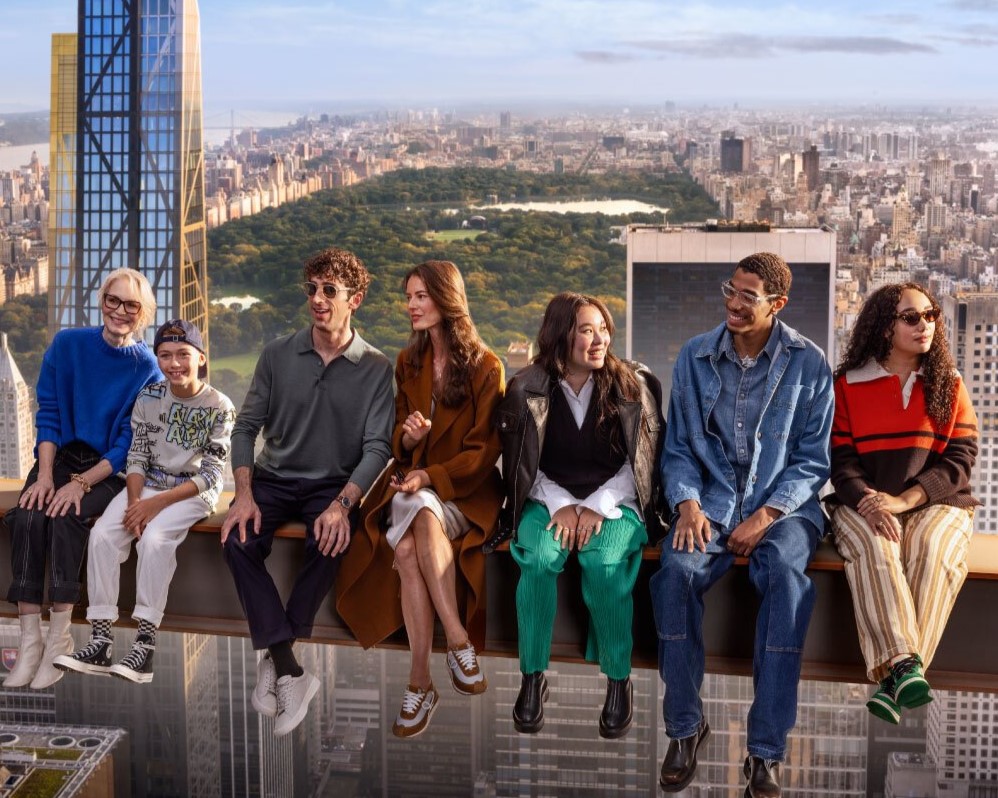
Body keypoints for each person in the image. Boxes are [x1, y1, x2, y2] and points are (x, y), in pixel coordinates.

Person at [652, 252, 833, 798]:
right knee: (673, 575)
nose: (732, 302)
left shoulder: (809, 362)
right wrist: (685, 504)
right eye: (729, 289)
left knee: (785, 578)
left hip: (785, 509)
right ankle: (685, 728)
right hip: (707, 504)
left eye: (747, 296)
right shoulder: (694, 356)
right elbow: (678, 446)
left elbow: (812, 460)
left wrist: (765, 515)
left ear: (776, 304)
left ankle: (765, 752)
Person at [221, 247, 394, 737]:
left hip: (332, 486)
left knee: (330, 541)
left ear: (354, 299)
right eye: (312, 289)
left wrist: (344, 504)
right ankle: (289, 666)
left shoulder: (378, 368)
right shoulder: (278, 353)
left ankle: (277, 661)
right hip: (273, 478)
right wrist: (244, 493)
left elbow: (378, 448)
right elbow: (245, 427)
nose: (318, 300)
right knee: (236, 542)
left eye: (330, 291)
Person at [337, 260, 504, 738]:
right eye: (408, 296)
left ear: (446, 299)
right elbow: (396, 440)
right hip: (414, 485)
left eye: (420, 297)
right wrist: (409, 441)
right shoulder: (408, 362)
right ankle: (452, 647)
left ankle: (425, 676)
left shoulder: (486, 366)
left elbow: (483, 452)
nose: (410, 306)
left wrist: (429, 473)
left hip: (464, 493)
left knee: (415, 535)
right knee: (412, 538)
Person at [489, 291, 664, 739]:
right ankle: (532, 677)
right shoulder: (525, 387)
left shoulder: (632, 386)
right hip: (546, 497)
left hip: (617, 501)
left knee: (603, 565)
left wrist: (596, 506)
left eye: (603, 329)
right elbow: (524, 463)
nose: (599, 339)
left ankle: (618, 678)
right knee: (540, 558)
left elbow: (639, 465)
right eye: (586, 330)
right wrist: (562, 504)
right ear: (560, 335)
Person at [3, 268, 160, 690]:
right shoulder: (67, 344)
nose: (120, 311)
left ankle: (58, 639)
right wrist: (46, 474)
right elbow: (50, 413)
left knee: (68, 516)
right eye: (113, 300)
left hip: (109, 467)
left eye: (132, 306)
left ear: (143, 314)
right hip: (61, 451)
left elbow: (129, 444)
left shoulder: (148, 369)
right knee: (29, 514)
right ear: (101, 299)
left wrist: (80, 484)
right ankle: (30, 641)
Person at [53, 320, 235, 684]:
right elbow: (136, 458)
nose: (174, 364)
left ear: (201, 358)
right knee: (103, 535)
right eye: (165, 356)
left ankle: (144, 648)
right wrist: (135, 501)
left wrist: (153, 507)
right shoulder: (149, 397)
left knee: (154, 540)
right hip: (147, 486)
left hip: (192, 492)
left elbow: (212, 476)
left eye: (183, 355)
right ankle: (101, 640)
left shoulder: (220, 406)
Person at [829, 283, 978, 725]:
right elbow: (841, 460)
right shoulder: (849, 386)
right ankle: (904, 671)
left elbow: (962, 458)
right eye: (911, 318)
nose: (925, 325)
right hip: (863, 501)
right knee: (877, 549)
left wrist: (906, 499)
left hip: (937, 502)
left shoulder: (948, 385)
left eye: (930, 315)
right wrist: (874, 503)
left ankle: (896, 675)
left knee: (933, 551)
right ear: (884, 326)